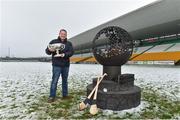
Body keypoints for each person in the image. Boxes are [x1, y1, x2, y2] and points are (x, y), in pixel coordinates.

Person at [45, 29, 74, 103]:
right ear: (59, 34)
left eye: (64, 34)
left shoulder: (69, 43)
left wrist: (64, 55)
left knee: (65, 81)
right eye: (62, 34)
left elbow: (71, 52)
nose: (63, 35)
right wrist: (50, 50)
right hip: (56, 65)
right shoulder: (53, 42)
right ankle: (52, 96)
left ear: (66, 35)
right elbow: (47, 51)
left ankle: (65, 95)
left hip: (65, 65)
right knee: (54, 81)